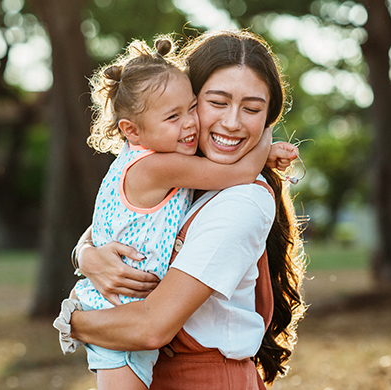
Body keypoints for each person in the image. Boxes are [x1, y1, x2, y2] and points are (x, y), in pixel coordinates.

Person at [55, 30, 305, 389]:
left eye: (252, 110)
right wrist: (85, 254)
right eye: (216, 102)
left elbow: (151, 326)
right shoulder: (180, 179)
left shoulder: (241, 200)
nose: (233, 122)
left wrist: (72, 321)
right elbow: (116, 222)